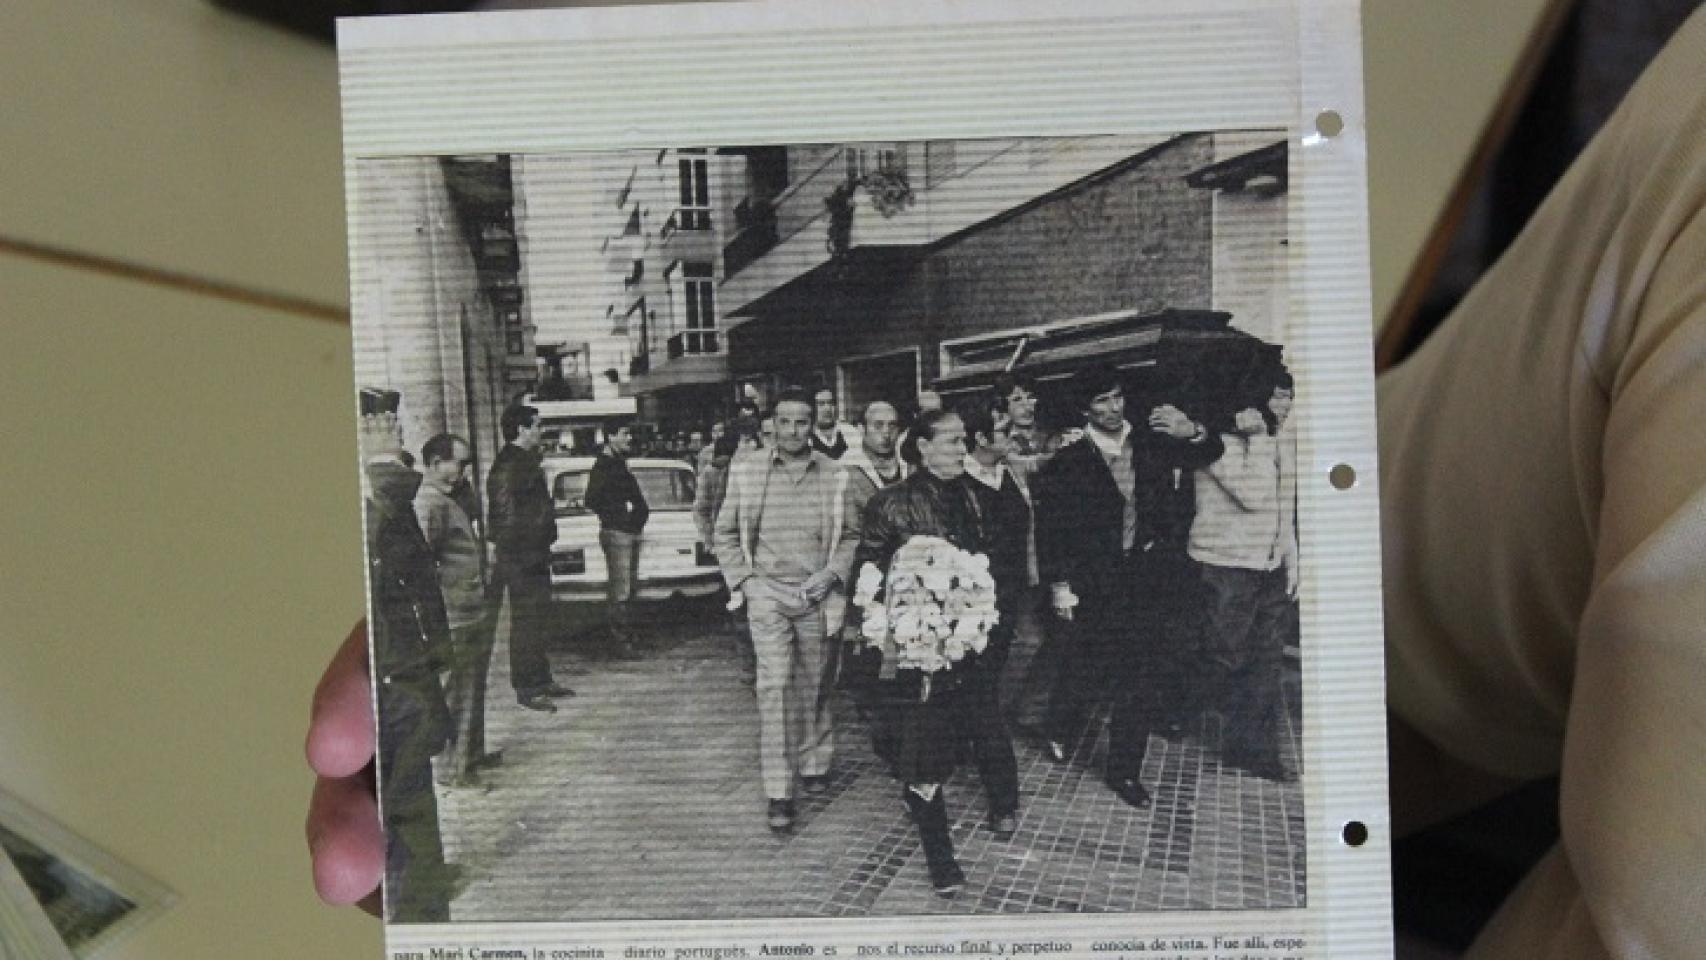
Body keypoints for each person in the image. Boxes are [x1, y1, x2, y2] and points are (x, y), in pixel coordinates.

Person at [311, 15, 1706, 951]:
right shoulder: (1682, 188)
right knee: (785, 692)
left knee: (923, 716)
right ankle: (802, 789)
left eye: (829, 425)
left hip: (932, 621)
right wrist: (786, 578)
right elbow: (1444, 638)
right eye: (813, 424)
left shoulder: (962, 485)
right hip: (792, 596)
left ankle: (914, 790)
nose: (820, 433)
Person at [1035, 364, 1221, 809]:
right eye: (1102, 400)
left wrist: (1191, 429)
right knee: (1088, 663)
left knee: (1140, 674)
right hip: (1093, 580)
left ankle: (1124, 771)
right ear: (1085, 408)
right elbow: (1053, 529)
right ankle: (1058, 724)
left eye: (1118, 396)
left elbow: (1207, 451)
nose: (1114, 408)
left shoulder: (1153, 443)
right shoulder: (1069, 459)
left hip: (1147, 576)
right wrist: (1060, 584)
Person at [857, 408, 1018, 895]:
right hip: (918, 645)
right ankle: (941, 859)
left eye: (963, 440)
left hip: (971, 640)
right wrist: (906, 603)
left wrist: (978, 612)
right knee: (923, 744)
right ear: (921, 447)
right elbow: (869, 569)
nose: (959, 449)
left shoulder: (980, 498)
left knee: (985, 720)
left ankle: (1004, 801)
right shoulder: (891, 504)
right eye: (949, 441)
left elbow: (995, 563)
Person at [713, 388, 858, 831]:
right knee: (773, 686)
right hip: (768, 596)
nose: (793, 430)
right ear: (770, 424)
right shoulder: (747, 471)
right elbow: (725, 534)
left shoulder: (835, 474)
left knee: (816, 682)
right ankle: (779, 790)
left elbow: (852, 535)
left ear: (813, 425)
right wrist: (748, 582)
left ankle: (815, 759)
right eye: (785, 421)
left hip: (816, 594)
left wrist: (832, 574)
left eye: (802, 422)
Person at [358, 413, 454, 922]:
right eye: (383, 424)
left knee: (409, 804)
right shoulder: (377, 498)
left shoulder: (383, 500)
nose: (396, 432)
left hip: (399, 676)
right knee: (404, 808)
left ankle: (423, 902)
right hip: (390, 679)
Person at [1188, 373, 1297, 782]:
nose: (1282, 407)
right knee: (1225, 656)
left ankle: (1253, 750)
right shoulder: (1217, 443)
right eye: (1275, 397)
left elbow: (1283, 504)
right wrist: (1260, 439)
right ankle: (1174, 706)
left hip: (1266, 565)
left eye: (1288, 398)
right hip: (1226, 562)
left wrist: (1290, 556)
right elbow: (1254, 495)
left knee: (1266, 658)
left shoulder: (1271, 441)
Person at [414, 433, 502, 788]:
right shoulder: (430, 503)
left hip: (469, 610)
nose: (464, 471)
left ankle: (472, 753)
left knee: (473, 687)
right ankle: (455, 770)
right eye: (460, 463)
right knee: (458, 692)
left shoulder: (447, 499)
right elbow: (421, 564)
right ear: (436, 464)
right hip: (455, 614)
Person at [486, 404, 571, 714]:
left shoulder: (523, 462)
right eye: (536, 425)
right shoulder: (510, 465)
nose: (540, 430)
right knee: (525, 622)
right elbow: (505, 517)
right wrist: (521, 552)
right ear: (521, 429)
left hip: (532, 553)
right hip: (522, 556)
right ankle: (527, 687)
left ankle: (541, 678)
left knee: (537, 619)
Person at [585, 417, 650, 657]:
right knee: (621, 590)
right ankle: (621, 641)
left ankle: (626, 637)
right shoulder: (604, 466)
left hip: (625, 531)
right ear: (610, 437)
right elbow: (591, 499)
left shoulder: (617, 463)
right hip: (618, 532)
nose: (629, 438)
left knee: (627, 588)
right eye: (624, 434)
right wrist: (620, 515)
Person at [808, 387, 854, 459]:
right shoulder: (807, 437)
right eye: (821, 404)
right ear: (812, 408)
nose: (828, 408)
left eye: (831, 403)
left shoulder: (849, 431)